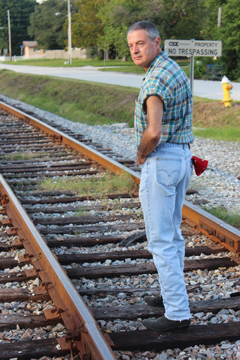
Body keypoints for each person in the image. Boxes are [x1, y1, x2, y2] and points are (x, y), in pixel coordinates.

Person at [127, 21, 194, 332]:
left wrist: (141, 154)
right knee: (174, 233)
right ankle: (172, 295)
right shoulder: (173, 68)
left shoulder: (154, 80)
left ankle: (177, 313)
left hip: (162, 160)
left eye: (141, 43)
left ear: (157, 42)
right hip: (182, 157)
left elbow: (153, 132)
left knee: (160, 240)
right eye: (131, 46)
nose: (135, 50)